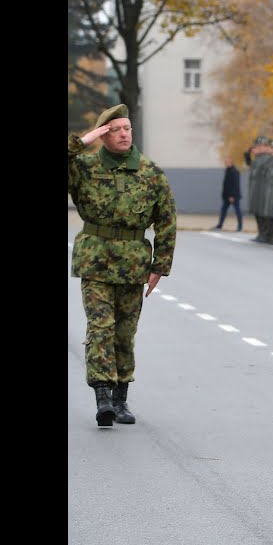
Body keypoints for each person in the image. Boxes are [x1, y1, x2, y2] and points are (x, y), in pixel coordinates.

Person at [68, 103, 177, 426]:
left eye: (127, 128)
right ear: (103, 135)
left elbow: (166, 220)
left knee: (124, 333)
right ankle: (103, 395)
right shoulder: (85, 167)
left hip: (133, 265)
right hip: (95, 262)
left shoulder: (150, 172)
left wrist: (160, 266)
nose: (124, 134)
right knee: (101, 327)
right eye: (115, 130)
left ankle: (120, 398)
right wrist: (83, 141)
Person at [214, 157, 242, 231]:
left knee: (237, 211)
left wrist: (232, 195)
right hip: (227, 196)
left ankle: (240, 227)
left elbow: (235, 184)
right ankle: (219, 225)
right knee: (223, 211)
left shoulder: (234, 171)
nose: (226, 163)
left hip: (233, 196)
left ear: (231, 162)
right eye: (225, 162)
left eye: (227, 162)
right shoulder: (227, 171)